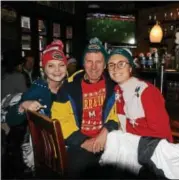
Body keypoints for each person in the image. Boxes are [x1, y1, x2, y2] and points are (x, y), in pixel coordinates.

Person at [99, 48, 179, 179]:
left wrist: (132, 143)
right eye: (111, 65)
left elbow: (162, 134)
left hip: (152, 156)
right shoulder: (117, 91)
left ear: (131, 68)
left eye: (121, 64)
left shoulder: (147, 92)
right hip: (133, 154)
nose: (115, 68)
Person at [51, 37, 119, 178]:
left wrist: (107, 130)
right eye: (89, 61)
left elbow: (118, 113)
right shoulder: (68, 87)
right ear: (83, 63)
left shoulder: (114, 86)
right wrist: (83, 141)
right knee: (81, 169)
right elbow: (60, 120)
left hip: (106, 140)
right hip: (78, 144)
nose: (94, 67)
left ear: (105, 64)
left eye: (98, 61)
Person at [5, 40, 68, 178]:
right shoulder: (38, 88)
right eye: (51, 65)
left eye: (61, 65)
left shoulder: (69, 86)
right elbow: (11, 119)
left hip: (69, 142)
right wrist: (23, 106)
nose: (57, 70)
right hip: (47, 153)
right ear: (43, 68)